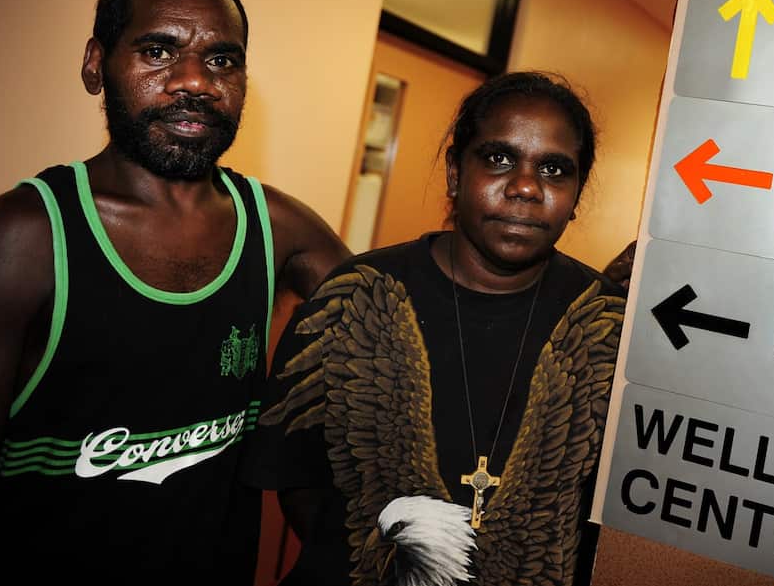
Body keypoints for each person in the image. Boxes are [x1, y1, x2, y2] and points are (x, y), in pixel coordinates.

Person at [0, 0, 350, 582]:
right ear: (96, 65)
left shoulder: (279, 229)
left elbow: (406, 329)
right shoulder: (23, 237)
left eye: (222, 59)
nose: (194, 80)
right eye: (158, 52)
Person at [245, 71, 627, 586]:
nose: (525, 187)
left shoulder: (608, 327)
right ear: (454, 172)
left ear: (577, 193)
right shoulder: (353, 297)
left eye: (555, 169)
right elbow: (300, 484)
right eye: (498, 158)